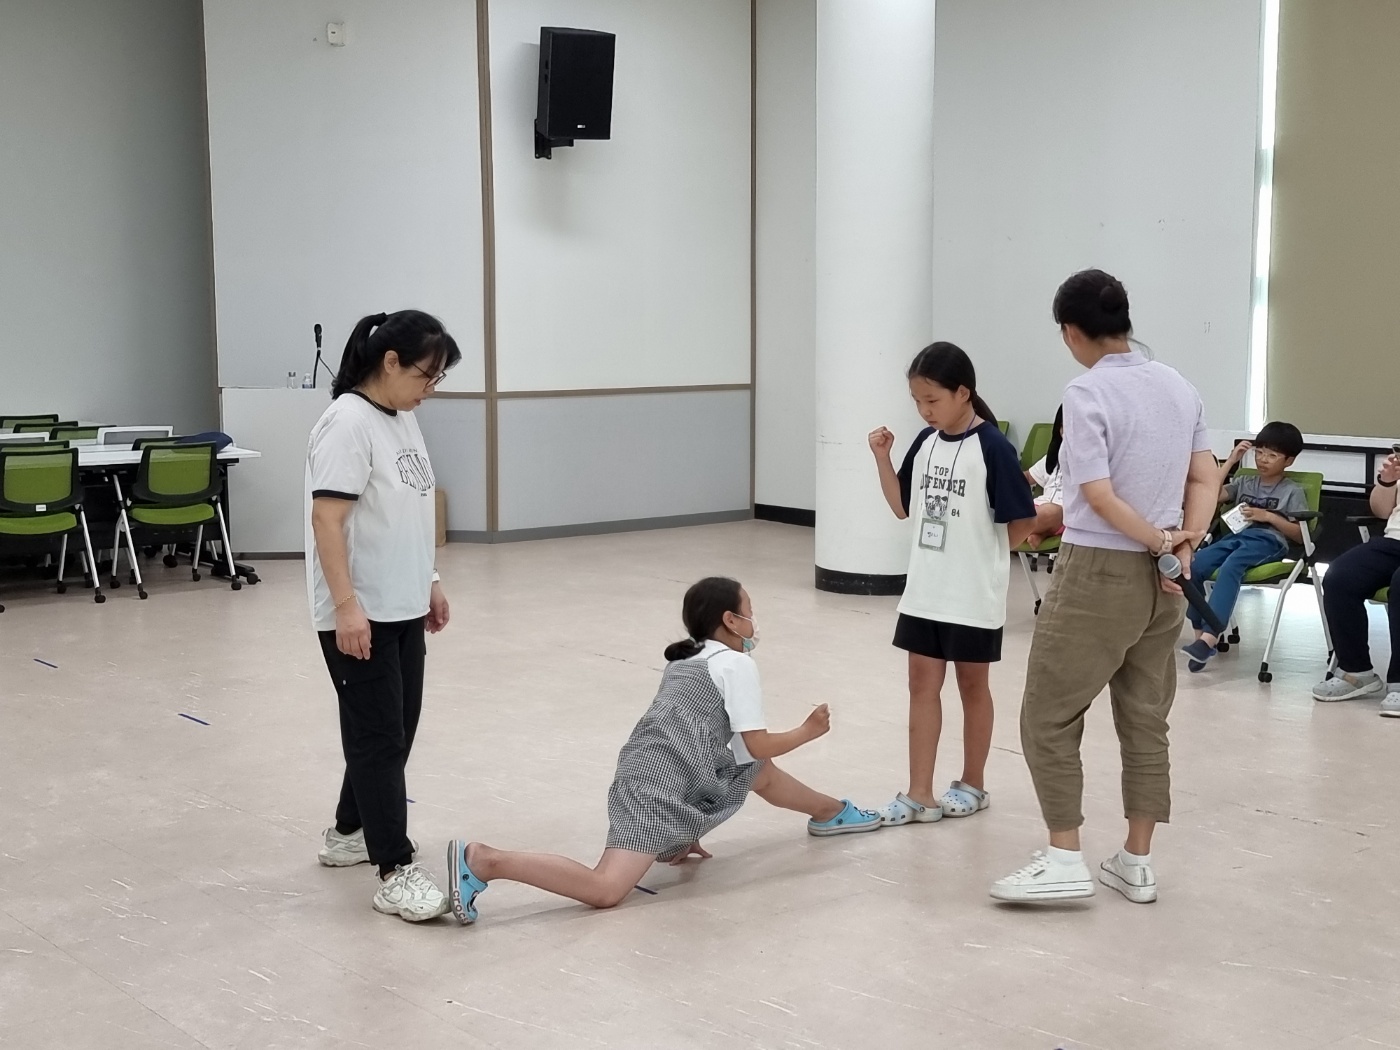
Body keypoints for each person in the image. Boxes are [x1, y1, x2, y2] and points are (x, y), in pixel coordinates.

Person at [443, 577, 881, 925]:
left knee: (755, 771)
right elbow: (756, 742)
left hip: (649, 767)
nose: (754, 623)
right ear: (731, 620)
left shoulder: (687, 660)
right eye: (750, 612)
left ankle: (830, 812)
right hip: (657, 784)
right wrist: (808, 731)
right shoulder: (736, 663)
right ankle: (485, 861)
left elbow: (723, 747)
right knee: (606, 889)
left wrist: (684, 830)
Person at [990, 270, 1216, 905]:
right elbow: (1205, 478)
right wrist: (1183, 544)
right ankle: (1136, 862)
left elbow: (1095, 494)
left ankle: (1065, 857)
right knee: (1146, 717)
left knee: (1048, 715)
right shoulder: (1178, 385)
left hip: (1098, 572)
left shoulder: (1086, 392)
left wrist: (1158, 540)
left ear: (1070, 331)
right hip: (1165, 582)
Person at [306, 310, 461, 922]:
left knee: (396, 728)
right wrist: (347, 608)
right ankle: (393, 870)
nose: (430, 389)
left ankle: (349, 832)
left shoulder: (402, 417)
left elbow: (407, 511)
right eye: (427, 375)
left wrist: (430, 581)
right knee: (378, 737)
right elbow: (327, 520)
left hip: (402, 603)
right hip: (359, 610)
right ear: (390, 361)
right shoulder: (348, 421)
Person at [868, 343, 1037, 827]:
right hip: (925, 591)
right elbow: (902, 507)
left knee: (972, 685)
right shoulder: (925, 442)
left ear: (963, 393)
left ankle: (973, 783)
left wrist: (984, 555)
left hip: (972, 595)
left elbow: (1023, 521)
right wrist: (882, 457)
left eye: (932, 400)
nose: (925, 411)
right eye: (917, 401)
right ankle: (919, 792)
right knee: (921, 685)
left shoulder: (993, 447)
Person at [1180, 422, 1309, 672]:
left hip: (1268, 541)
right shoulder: (1245, 482)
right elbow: (1211, 494)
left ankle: (1209, 638)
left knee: (1232, 566)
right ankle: (1200, 638)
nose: (1263, 459)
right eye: (1259, 452)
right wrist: (1231, 461)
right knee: (1193, 566)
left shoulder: (1292, 491)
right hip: (1235, 538)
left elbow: (1300, 535)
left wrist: (1268, 516)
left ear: (1289, 461)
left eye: (1272, 455)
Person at [1311, 449, 1400, 715]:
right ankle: (1357, 670)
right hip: (1393, 542)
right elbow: (1381, 511)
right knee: (1339, 577)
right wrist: (1387, 481)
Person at [1024, 405, 1066, 549]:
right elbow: (1028, 477)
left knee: (1048, 511)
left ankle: (997, 532)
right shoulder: (1052, 457)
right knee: (1017, 508)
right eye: (1064, 426)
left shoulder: (1090, 460)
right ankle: (1041, 534)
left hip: (1064, 513)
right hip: (1039, 507)